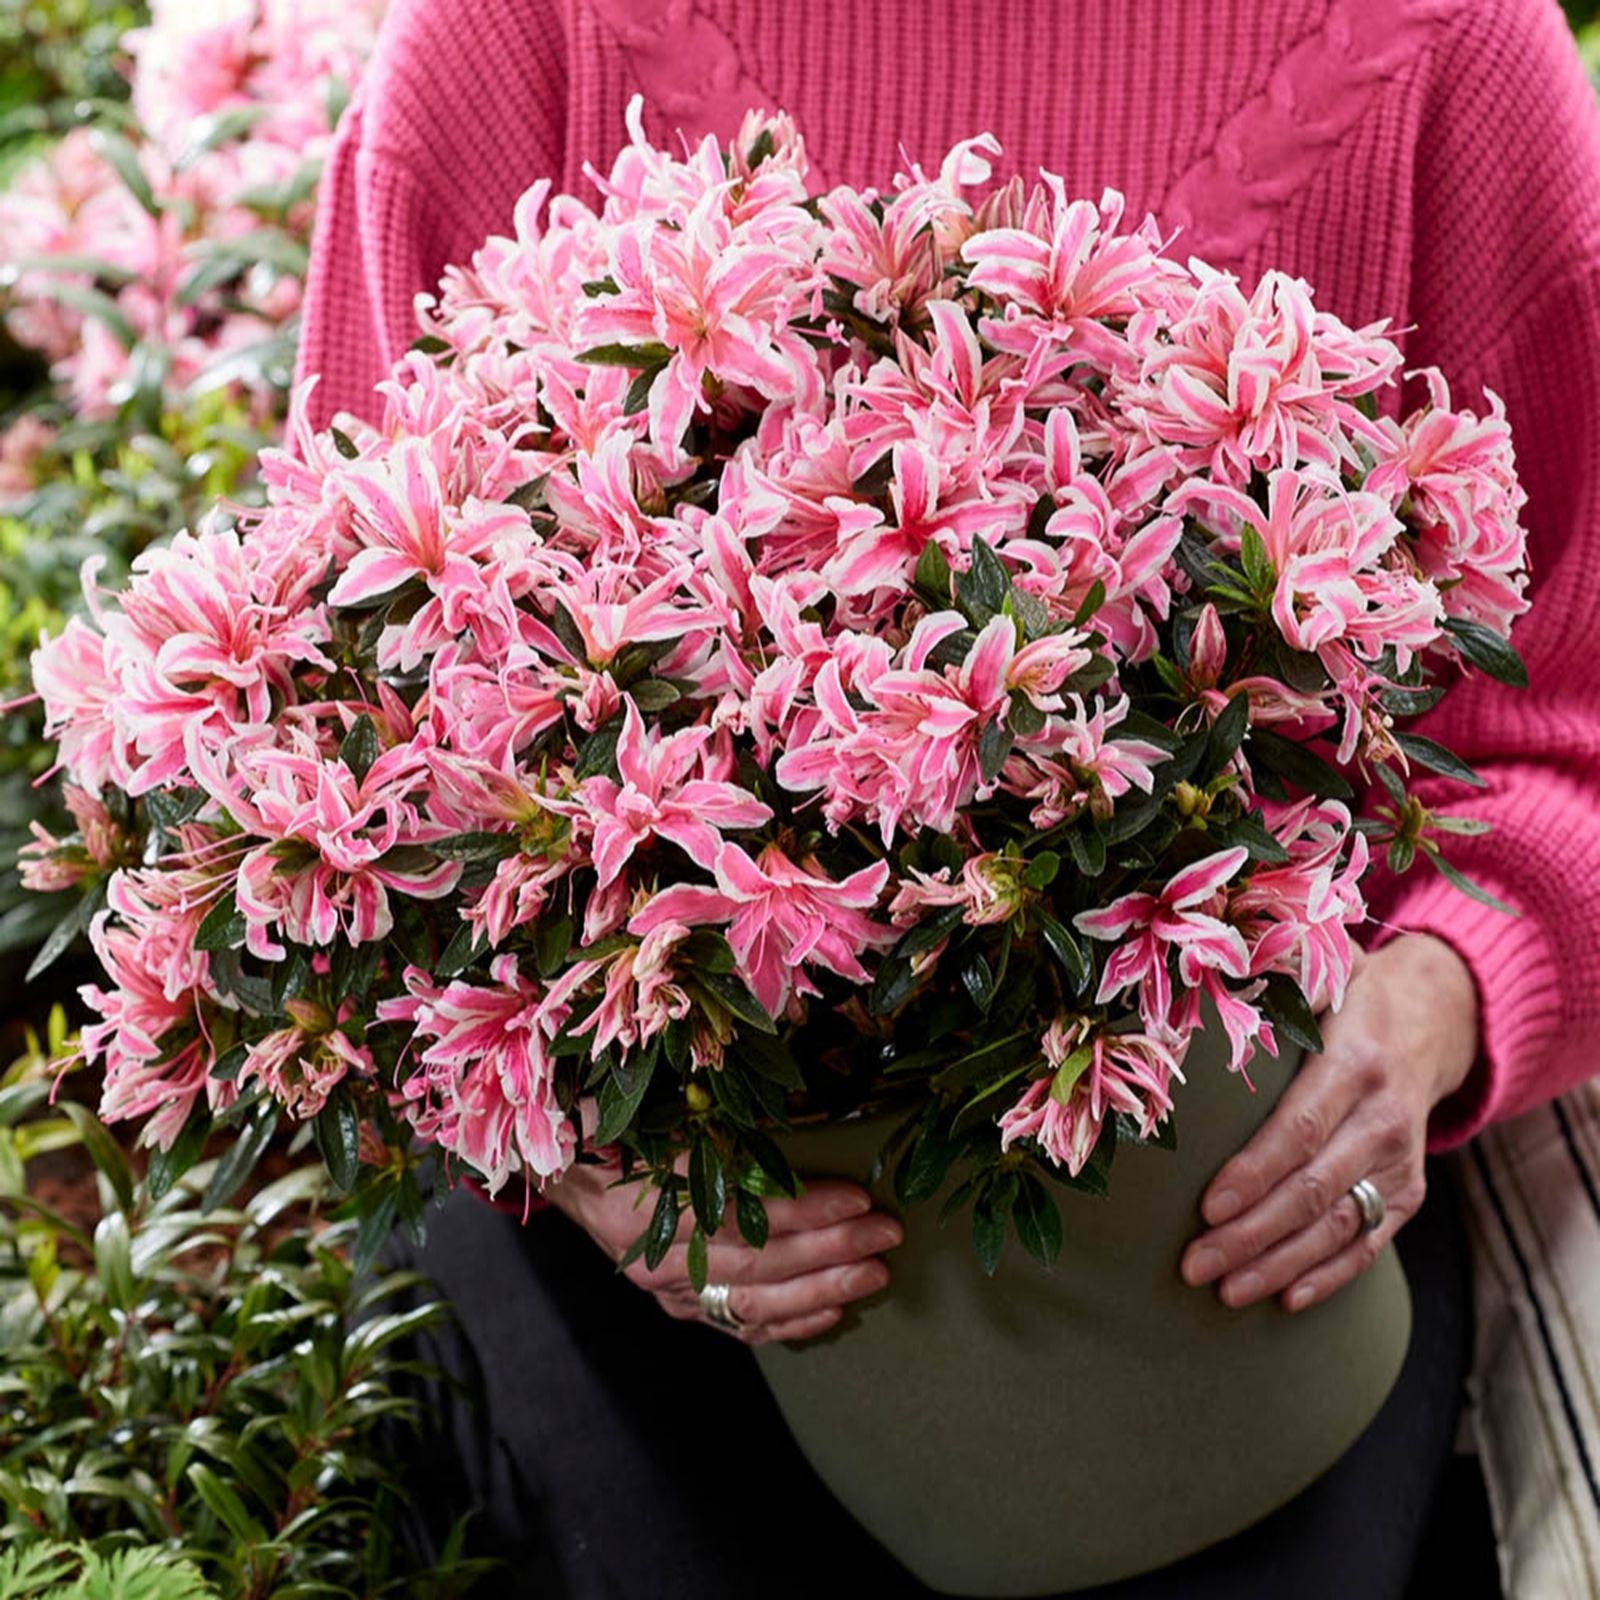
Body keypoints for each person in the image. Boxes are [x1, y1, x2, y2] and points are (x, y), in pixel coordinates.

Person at [298, 0, 1600, 1592]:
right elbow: (354, 724)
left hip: (1223, 1207)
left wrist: (1443, 992)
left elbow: (1572, 724)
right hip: (656, 1231)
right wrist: (572, 1148)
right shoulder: (517, 31)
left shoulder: (1447, 41)